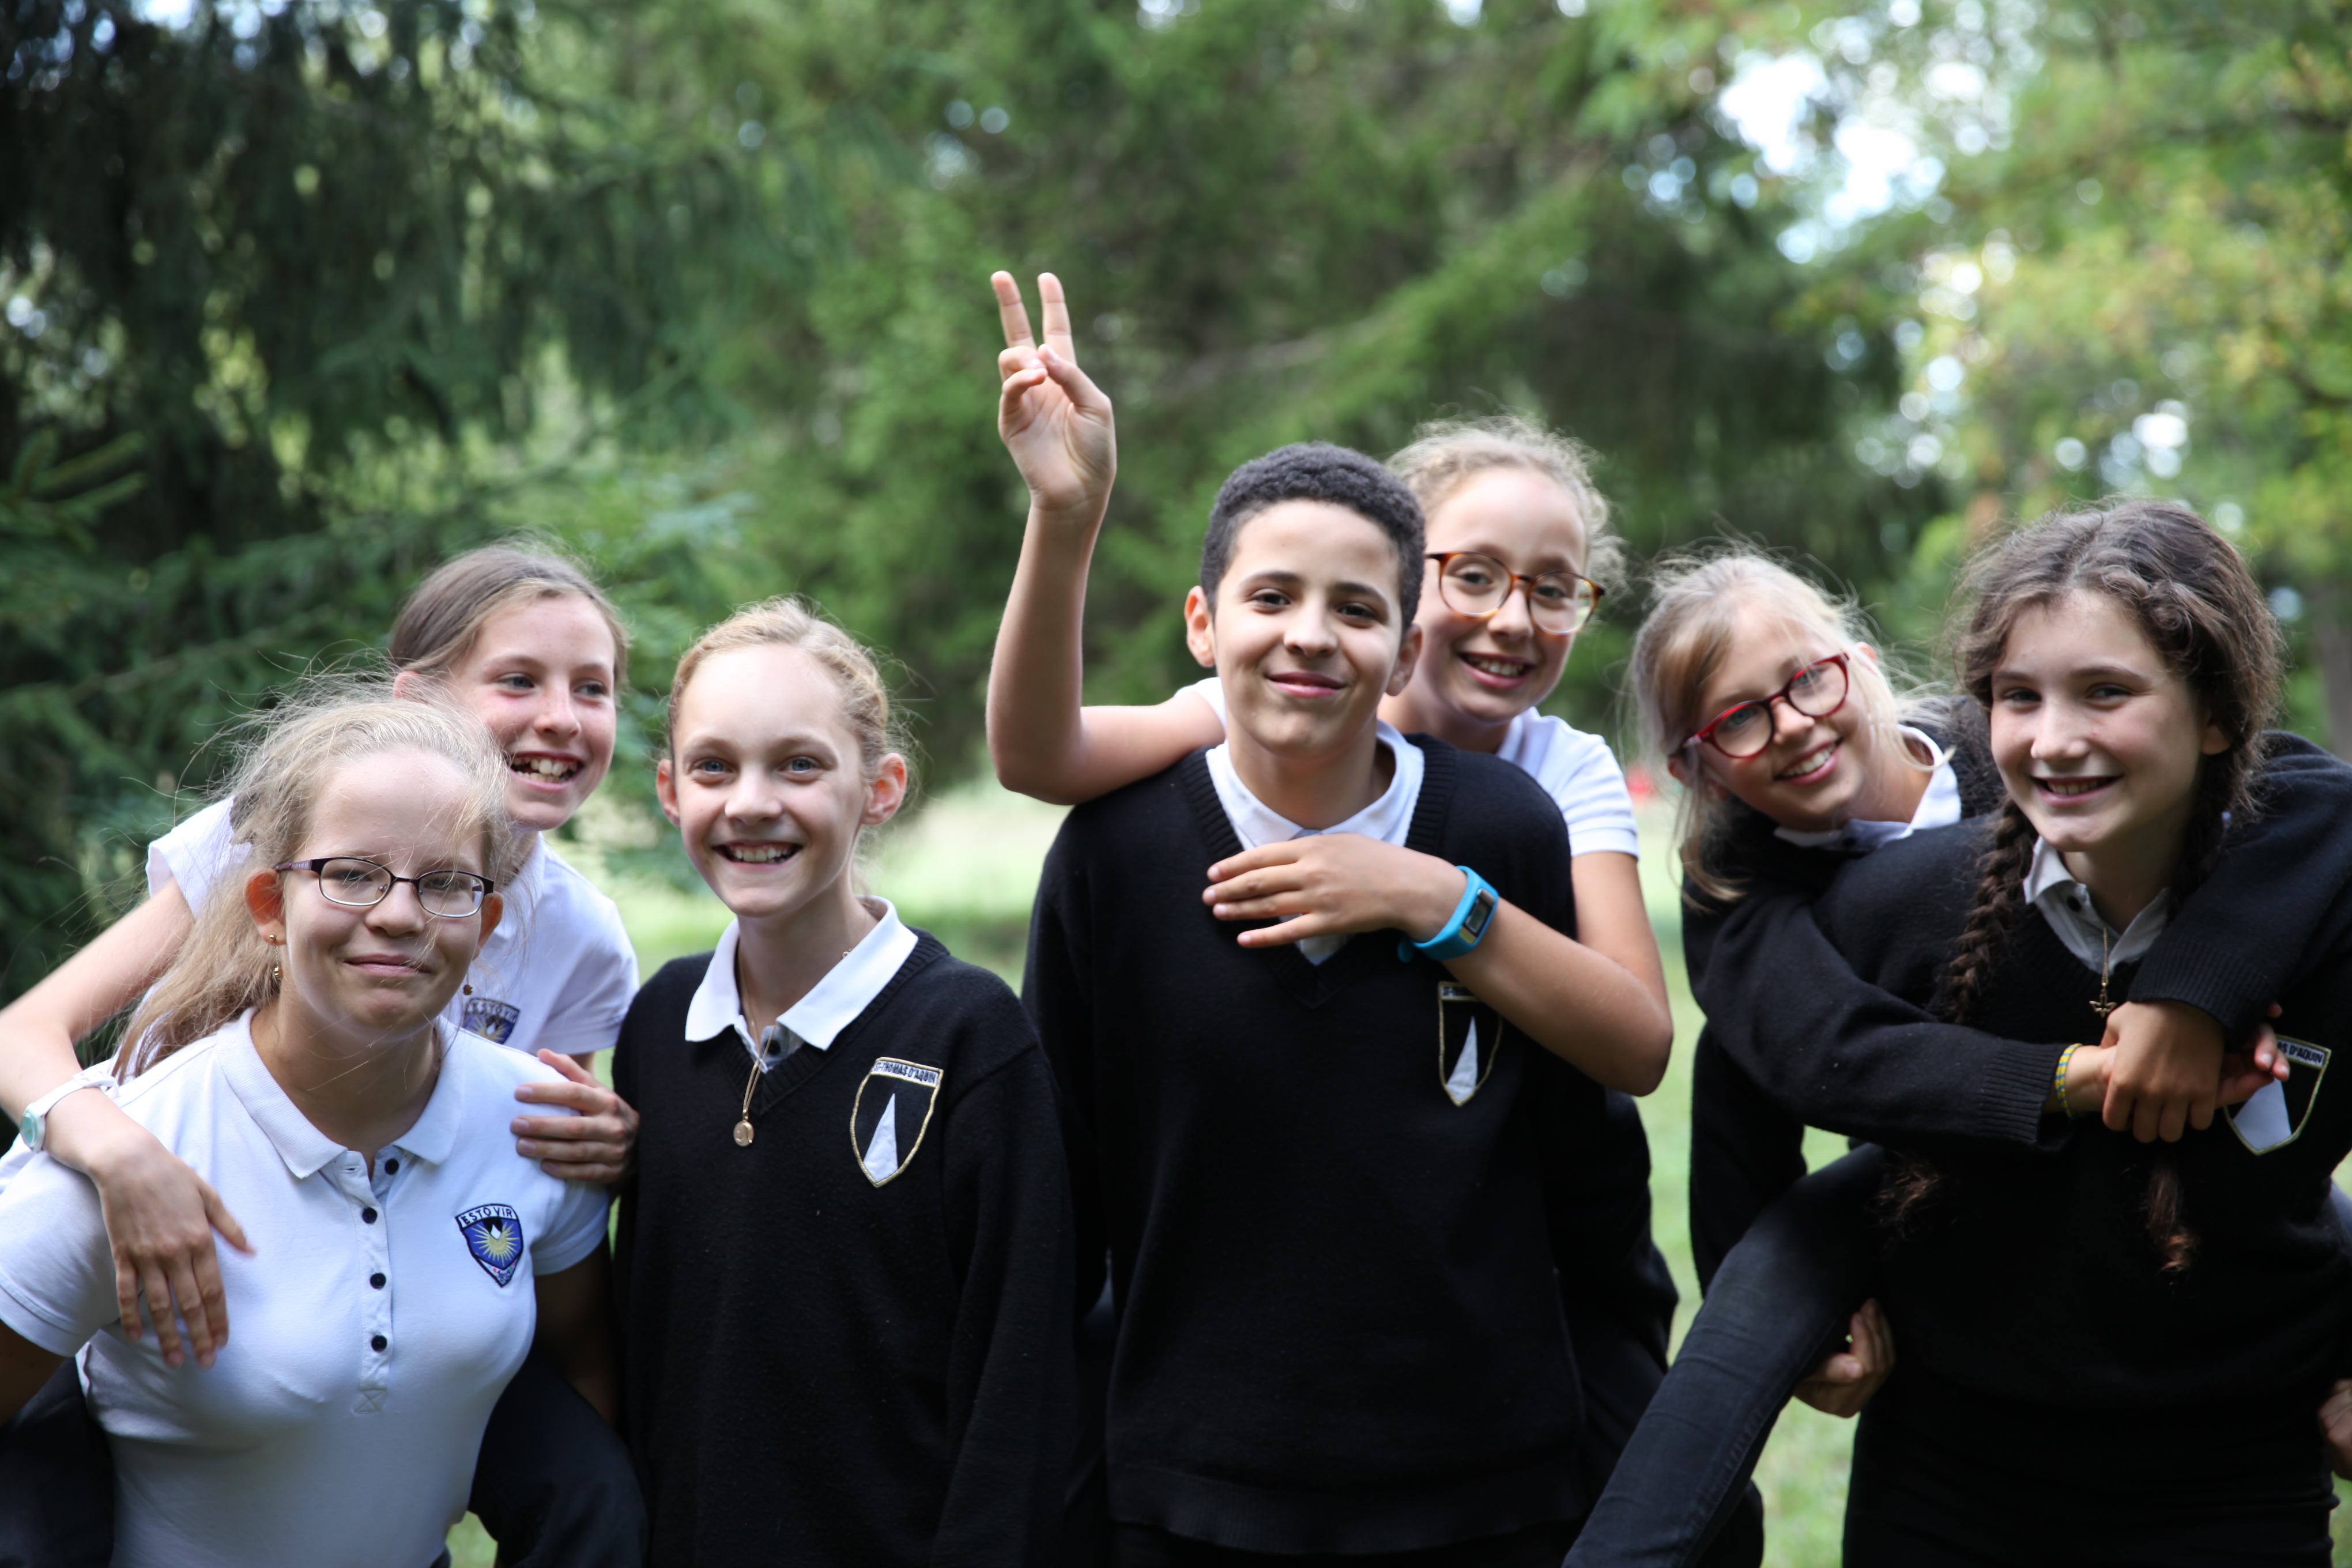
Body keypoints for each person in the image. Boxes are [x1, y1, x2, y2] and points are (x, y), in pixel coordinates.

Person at [983, 273, 1699, 1558]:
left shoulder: (1525, 813)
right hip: (1193, 1482)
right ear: (1206, 624)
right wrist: (1068, 512)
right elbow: (1040, 754)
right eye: (1273, 600)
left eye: (1358, 609)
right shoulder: (1137, 826)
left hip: (1479, 1479)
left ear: (1399, 632)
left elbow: (1620, 1081)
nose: (1311, 636)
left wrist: (1429, 898)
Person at [1569, 527, 2352, 1566]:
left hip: (2228, 1431)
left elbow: (2312, 792)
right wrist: (2070, 1078)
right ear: (1698, 769)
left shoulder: (2037, 773)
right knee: (1791, 1260)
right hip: (1949, 1301)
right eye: (1740, 722)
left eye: (1808, 683)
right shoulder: (1775, 903)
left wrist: (2191, 996)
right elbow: (1782, 1067)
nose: (1795, 728)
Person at [0, 545, 647, 1566]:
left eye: (593, 688)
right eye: (519, 680)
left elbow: (524, 1171)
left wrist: (602, 1138)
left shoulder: (582, 932)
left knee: (594, 1495)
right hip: (204, 1240)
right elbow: (21, 1031)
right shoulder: (267, 832)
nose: (561, 717)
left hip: (412, 1256)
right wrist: (112, 1149)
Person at [610, 598, 1075, 1566]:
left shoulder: (969, 1034)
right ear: (668, 789)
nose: (750, 802)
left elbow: (1016, 1378)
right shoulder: (659, 1027)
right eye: (713, 767)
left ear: (882, 787)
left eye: (799, 764)